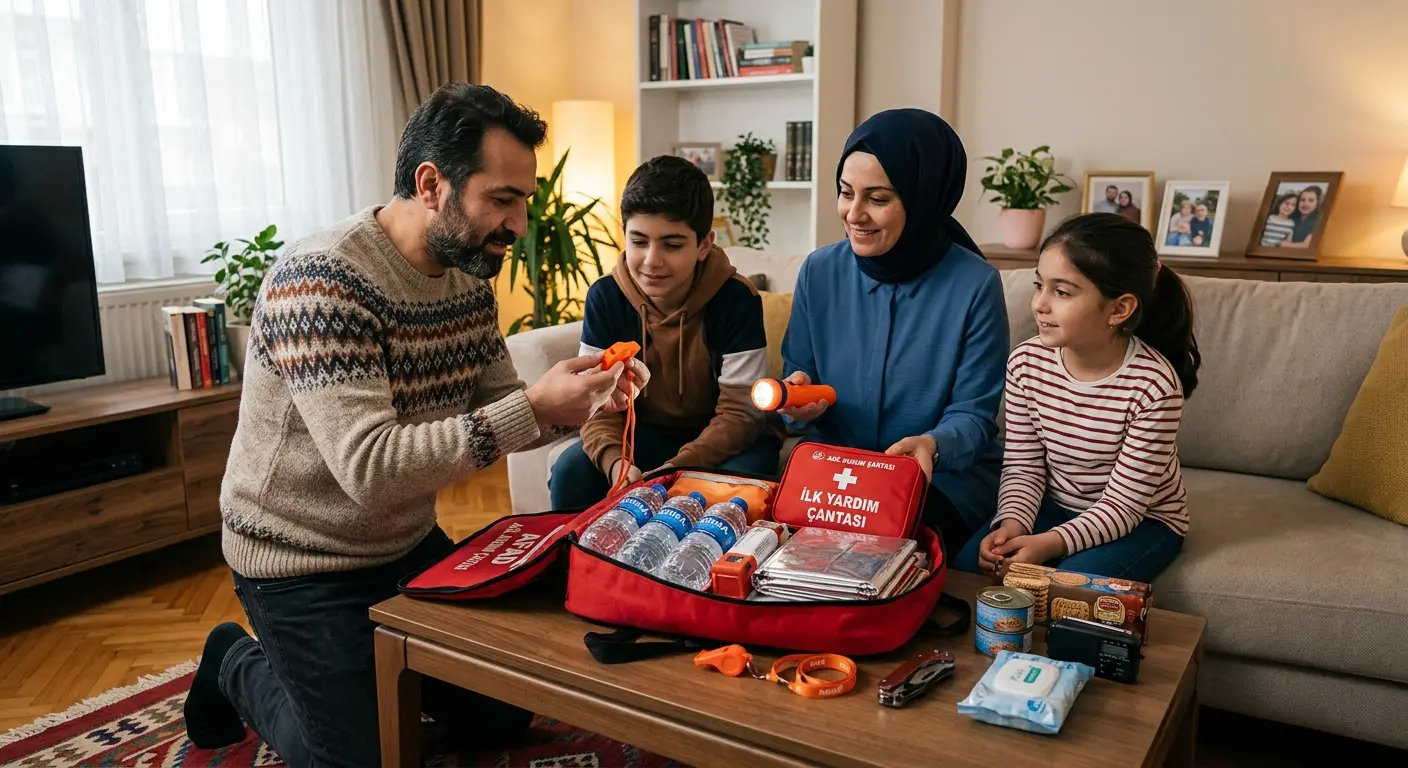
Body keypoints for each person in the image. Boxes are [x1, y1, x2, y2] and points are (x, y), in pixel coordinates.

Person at [182, 83, 649, 767]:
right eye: (502, 199)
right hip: (301, 560)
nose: (519, 225)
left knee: (500, 718)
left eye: (524, 200)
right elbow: (370, 469)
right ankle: (234, 660)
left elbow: (505, 408)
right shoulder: (322, 281)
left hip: (402, 540)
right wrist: (538, 408)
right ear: (431, 184)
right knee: (363, 761)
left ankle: (383, 667)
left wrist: (586, 403)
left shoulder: (467, 280)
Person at [778, 108, 1009, 557]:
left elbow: (975, 415)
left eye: (878, 198)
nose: (854, 214)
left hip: (941, 477)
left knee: (895, 553)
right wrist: (797, 402)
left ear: (923, 199)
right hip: (838, 472)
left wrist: (933, 445)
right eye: (846, 193)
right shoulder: (819, 271)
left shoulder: (976, 284)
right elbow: (798, 376)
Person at [955, 213, 1201, 582]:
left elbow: (1124, 507)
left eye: (1062, 292)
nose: (1039, 303)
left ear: (1119, 309)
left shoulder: (1154, 386)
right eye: (1040, 285)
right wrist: (1013, 524)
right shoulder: (1026, 362)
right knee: (964, 570)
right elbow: (1023, 465)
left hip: (1143, 521)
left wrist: (1049, 544)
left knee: (1065, 591)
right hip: (1056, 506)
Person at [549, 155, 778, 508]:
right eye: (638, 241)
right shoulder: (606, 296)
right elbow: (596, 406)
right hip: (643, 436)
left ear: (704, 244)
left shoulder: (737, 299)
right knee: (570, 470)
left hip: (722, 441)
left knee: (751, 476)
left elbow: (740, 416)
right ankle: (573, 561)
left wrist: (674, 471)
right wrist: (618, 466)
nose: (651, 260)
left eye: (672, 245)